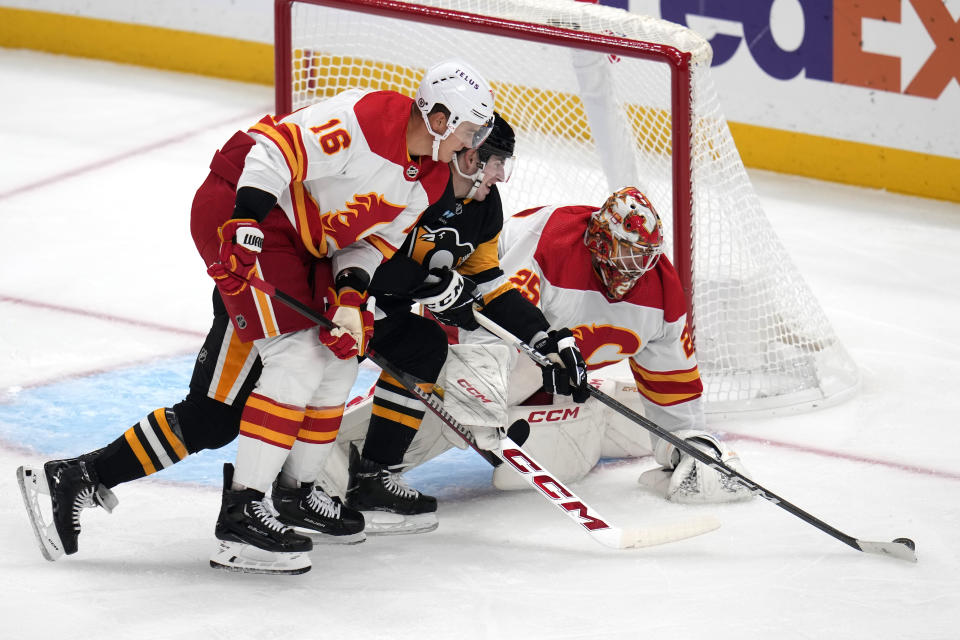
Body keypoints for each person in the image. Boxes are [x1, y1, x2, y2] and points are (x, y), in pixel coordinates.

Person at [16, 59, 499, 574]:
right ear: (440, 117)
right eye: (469, 132)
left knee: (329, 362)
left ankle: (291, 493)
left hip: (296, 241)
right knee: (281, 368)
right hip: (248, 211)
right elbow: (273, 150)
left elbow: (368, 243)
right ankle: (241, 513)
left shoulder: (426, 180)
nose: (472, 147)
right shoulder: (365, 118)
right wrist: (244, 221)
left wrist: (351, 298)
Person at [326, 187, 754, 505]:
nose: (634, 270)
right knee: (456, 407)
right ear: (600, 242)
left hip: (558, 365)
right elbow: (488, 317)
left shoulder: (662, 293)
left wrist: (691, 443)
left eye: (643, 258)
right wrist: (479, 399)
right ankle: (342, 460)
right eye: (624, 255)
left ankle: (571, 418)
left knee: (590, 447)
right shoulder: (548, 242)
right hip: (470, 326)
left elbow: (673, 386)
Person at [340, 112, 588, 534]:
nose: (502, 176)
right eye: (497, 163)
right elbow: (361, 250)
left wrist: (545, 338)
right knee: (236, 405)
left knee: (424, 346)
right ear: (470, 157)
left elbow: (488, 283)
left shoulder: (485, 208)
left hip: (384, 312)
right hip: (338, 300)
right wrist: (427, 284)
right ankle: (280, 484)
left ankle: (372, 477)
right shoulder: (412, 183)